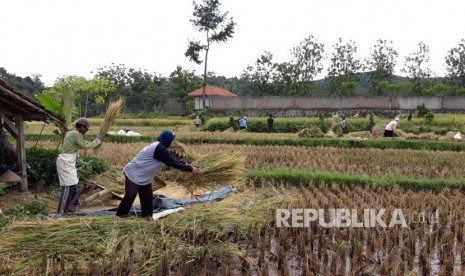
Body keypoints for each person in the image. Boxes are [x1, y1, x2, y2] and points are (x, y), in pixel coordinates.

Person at [116, 130, 199, 218]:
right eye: (171, 140)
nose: (172, 143)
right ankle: (120, 216)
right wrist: (190, 169)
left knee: (147, 197)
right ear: (166, 140)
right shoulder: (159, 149)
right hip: (133, 173)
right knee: (131, 194)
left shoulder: (159, 147)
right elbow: (172, 163)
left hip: (144, 176)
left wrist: (188, 166)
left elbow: (173, 160)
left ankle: (147, 217)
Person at [56, 118, 103, 214]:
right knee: (67, 187)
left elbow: (83, 144)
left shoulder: (74, 134)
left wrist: (94, 141)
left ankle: (69, 208)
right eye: (86, 129)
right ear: (81, 126)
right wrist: (98, 140)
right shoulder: (75, 134)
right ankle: (61, 213)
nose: (86, 131)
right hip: (66, 161)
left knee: (73, 185)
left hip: (68, 162)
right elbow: (86, 146)